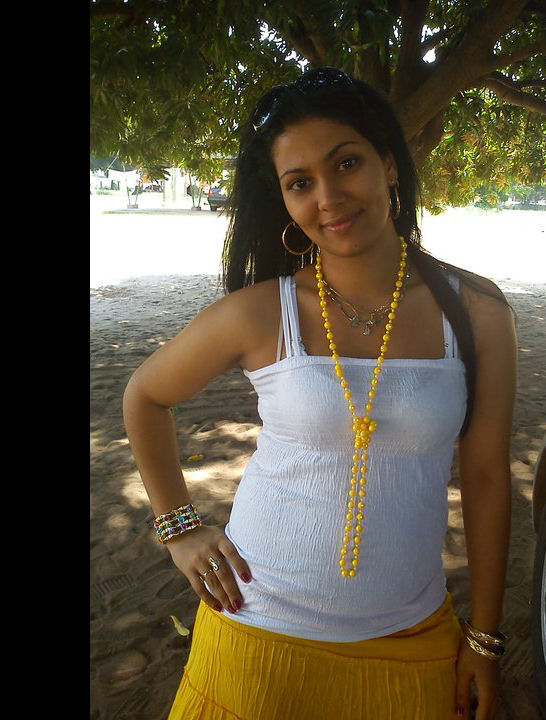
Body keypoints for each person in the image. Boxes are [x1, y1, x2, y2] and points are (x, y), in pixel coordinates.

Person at [123, 66, 517, 720]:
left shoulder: (475, 312)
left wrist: (484, 637)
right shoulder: (260, 312)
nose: (328, 197)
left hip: (411, 638)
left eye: (347, 163)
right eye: (300, 182)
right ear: (283, 200)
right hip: (256, 633)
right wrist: (179, 529)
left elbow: (485, 477)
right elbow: (144, 395)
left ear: (388, 165)